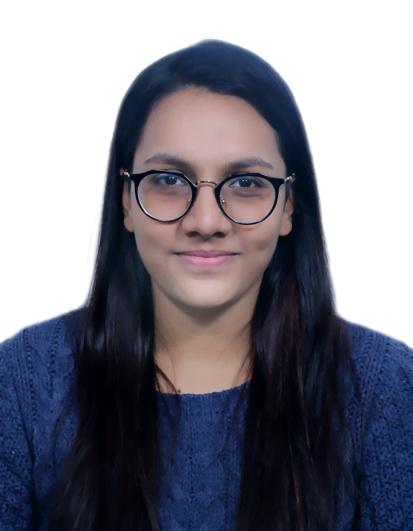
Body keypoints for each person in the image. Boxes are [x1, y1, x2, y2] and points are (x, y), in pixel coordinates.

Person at [1, 38, 412, 531]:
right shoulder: (23, 384)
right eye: (169, 180)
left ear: (288, 207)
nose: (205, 221)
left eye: (246, 183)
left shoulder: (383, 388)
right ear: (127, 201)